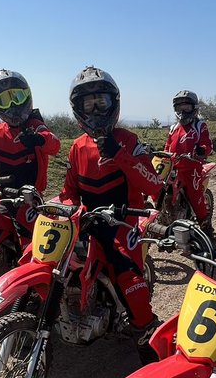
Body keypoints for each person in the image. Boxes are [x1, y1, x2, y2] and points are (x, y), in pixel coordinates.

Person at [59, 67, 163, 353]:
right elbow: (68, 191)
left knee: (126, 272)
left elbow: (154, 185)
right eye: (87, 104)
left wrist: (119, 154)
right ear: (77, 109)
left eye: (101, 102)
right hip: (88, 222)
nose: (95, 110)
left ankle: (146, 331)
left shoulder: (129, 140)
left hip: (124, 222)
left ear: (113, 103)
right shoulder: (77, 147)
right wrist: (68, 208)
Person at [162, 90, 214, 234]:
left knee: (195, 195)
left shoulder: (199, 126)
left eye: (186, 108)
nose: (183, 111)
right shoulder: (173, 128)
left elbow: (207, 144)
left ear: (194, 108)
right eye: (180, 108)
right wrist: (162, 155)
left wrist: (202, 150)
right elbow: (167, 146)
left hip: (192, 168)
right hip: (173, 167)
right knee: (157, 186)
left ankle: (206, 226)